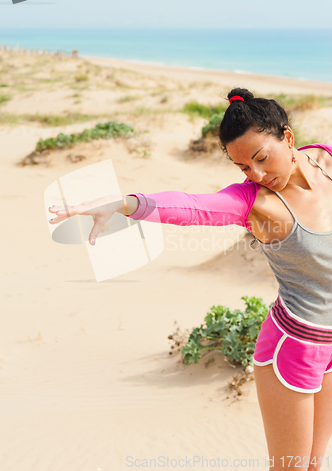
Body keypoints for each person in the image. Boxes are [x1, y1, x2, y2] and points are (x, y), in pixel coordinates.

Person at [49, 88, 332, 471]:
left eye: (261, 158)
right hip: (293, 348)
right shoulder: (258, 204)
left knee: (316, 464)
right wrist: (123, 204)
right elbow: (192, 207)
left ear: (288, 137)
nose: (257, 175)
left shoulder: (325, 160)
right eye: (244, 167)